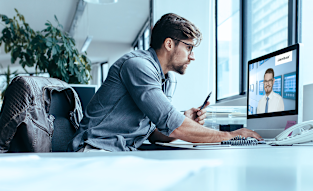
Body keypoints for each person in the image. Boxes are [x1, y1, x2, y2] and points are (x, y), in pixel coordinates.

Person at [67, 13, 261, 152]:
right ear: (169, 44)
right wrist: (231, 136)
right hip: (95, 150)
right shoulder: (138, 66)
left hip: (121, 151)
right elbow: (173, 124)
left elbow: (153, 133)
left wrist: (184, 119)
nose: (192, 57)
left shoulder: (167, 79)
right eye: (189, 48)